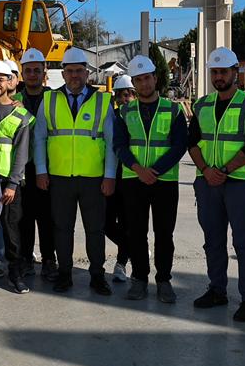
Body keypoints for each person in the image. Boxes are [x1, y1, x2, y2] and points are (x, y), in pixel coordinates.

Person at [187, 46, 245, 322]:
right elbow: (193, 143)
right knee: (213, 241)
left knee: (244, 242)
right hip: (208, 183)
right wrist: (207, 171)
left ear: (236, 72)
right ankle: (217, 289)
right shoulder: (201, 105)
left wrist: (222, 170)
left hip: (239, 183)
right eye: (215, 72)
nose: (219, 76)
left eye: (224, 71)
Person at [34, 46, 117, 295]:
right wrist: (40, 170)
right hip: (60, 178)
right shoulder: (49, 100)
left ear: (87, 73)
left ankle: (97, 275)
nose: (74, 76)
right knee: (62, 228)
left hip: (94, 178)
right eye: (69, 71)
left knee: (95, 229)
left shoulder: (103, 100)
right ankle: (64, 274)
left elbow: (112, 142)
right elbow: (39, 138)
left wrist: (110, 175)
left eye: (79, 71)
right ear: (64, 73)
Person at [113, 55, 189, 304]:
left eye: (147, 78)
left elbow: (179, 146)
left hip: (164, 180)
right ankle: (140, 279)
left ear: (155, 78)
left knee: (164, 233)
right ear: (133, 83)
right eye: (139, 80)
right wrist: (138, 169)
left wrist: (153, 171)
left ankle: (164, 280)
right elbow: (119, 146)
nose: (144, 83)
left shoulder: (173, 109)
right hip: (133, 180)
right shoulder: (124, 112)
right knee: (136, 232)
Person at [0, 60, 32, 294]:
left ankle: (16, 275)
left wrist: (12, 183)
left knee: (12, 233)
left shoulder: (21, 115)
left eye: (1, 79)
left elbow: (21, 154)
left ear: (10, 82)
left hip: (9, 184)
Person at [16, 48, 57, 282]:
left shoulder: (54, 98)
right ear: (22, 73)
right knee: (24, 217)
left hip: (48, 167)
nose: (32, 74)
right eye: (28, 70)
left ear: (44, 72)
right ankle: (25, 258)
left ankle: (49, 258)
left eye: (36, 70)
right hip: (21, 167)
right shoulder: (14, 98)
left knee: (46, 215)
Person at [107, 73, 136, 283]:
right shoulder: (111, 117)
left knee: (128, 223)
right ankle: (133, 247)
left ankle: (121, 264)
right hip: (112, 176)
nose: (124, 99)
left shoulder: (140, 119)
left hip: (132, 178)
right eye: (120, 95)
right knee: (106, 223)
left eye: (128, 95)